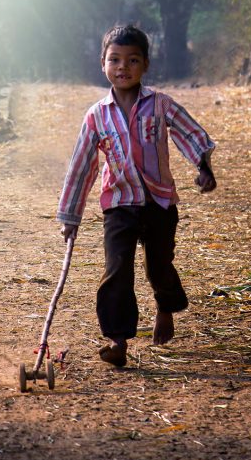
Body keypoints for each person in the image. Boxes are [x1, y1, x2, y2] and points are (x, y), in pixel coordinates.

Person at [57, 25, 216, 367]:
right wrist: (70, 216)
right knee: (117, 270)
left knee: (159, 266)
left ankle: (165, 307)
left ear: (145, 65)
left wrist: (203, 167)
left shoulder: (160, 104)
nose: (122, 67)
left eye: (132, 60)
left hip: (159, 203)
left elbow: (189, 131)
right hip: (119, 206)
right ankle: (117, 339)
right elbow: (82, 165)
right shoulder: (96, 115)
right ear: (103, 64)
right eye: (114, 59)